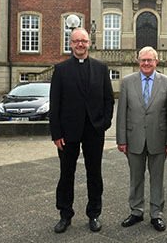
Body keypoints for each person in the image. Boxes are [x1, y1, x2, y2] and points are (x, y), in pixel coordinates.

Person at [49, 27, 114, 234]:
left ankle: (94, 213)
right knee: (66, 174)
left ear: (89, 43)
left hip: (94, 130)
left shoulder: (101, 68)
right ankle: (65, 214)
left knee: (94, 174)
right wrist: (56, 134)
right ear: (70, 43)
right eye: (76, 41)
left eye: (83, 41)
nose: (80, 44)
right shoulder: (61, 69)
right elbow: (55, 104)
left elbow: (108, 99)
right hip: (68, 132)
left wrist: (104, 123)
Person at [116, 46, 167, 232]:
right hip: (133, 138)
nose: (146, 63)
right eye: (143, 60)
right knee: (136, 178)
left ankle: (156, 213)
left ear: (156, 62)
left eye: (150, 60)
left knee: (157, 178)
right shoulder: (127, 82)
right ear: (138, 62)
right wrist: (121, 139)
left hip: (158, 139)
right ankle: (136, 211)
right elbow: (121, 114)